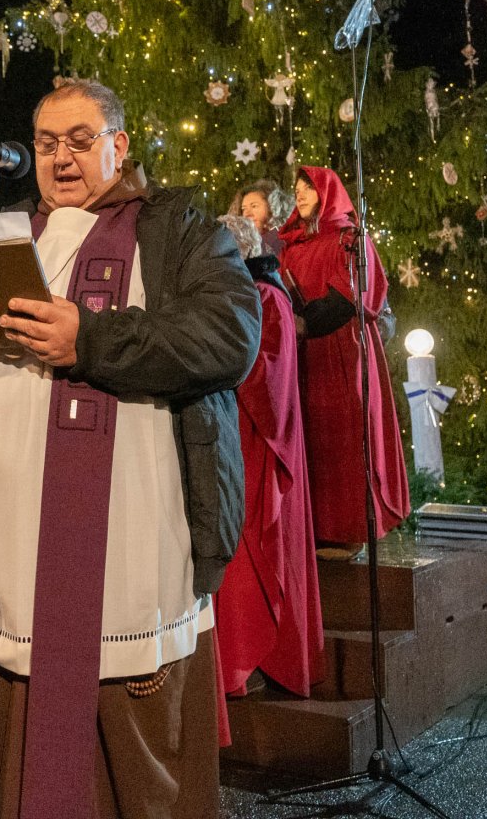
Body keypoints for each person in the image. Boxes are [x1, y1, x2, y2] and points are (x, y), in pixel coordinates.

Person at [0, 78, 260, 817]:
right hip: (8, 532)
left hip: (129, 527)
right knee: (16, 705)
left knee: (121, 716)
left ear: (119, 145)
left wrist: (86, 340)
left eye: (81, 140)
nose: (61, 158)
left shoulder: (177, 224)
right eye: (47, 143)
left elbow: (230, 335)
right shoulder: (6, 234)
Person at [212, 217, 324, 699]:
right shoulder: (246, 292)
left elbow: (264, 377)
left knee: (255, 546)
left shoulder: (266, 295)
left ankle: (253, 659)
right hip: (238, 434)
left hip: (258, 442)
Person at [277, 166, 410, 551]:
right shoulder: (292, 245)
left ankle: (352, 527)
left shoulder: (350, 238)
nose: (300, 194)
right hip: (304, 355)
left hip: (342, 348)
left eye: (309, 187)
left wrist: (306, 323)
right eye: (297, 188)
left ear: (328, 192)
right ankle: (315, 526)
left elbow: (351, 296)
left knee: (347, 438)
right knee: (312, 441)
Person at [230, 179, 296, 257]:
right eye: (243, 209)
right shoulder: (238, 246)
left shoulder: (286, 242)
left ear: (272, 208)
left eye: (254, 206)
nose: (247, 214)